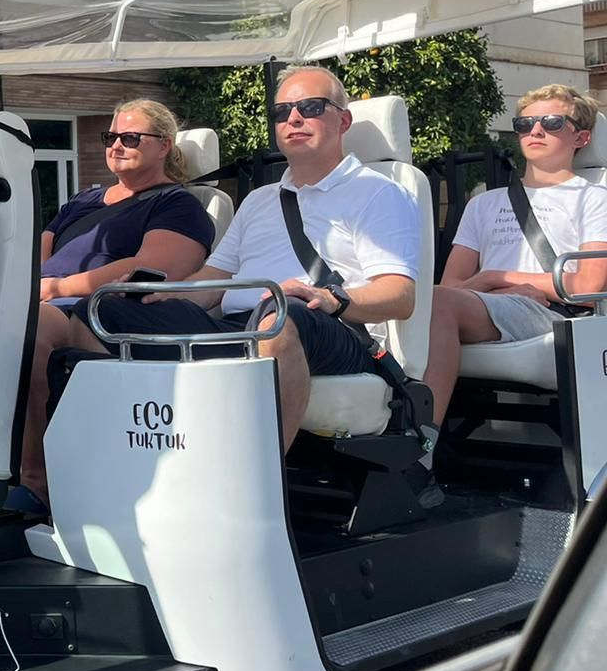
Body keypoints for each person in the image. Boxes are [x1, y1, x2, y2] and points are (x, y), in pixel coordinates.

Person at [65, 65, 421, 450]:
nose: (294, 118)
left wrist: (332, 298)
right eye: (282, 112)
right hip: (242, 326)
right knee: (97, 313)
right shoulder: (259, 200)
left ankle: (260, 484)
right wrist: (163, 296)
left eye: (311, 107)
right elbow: (212, 281)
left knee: (282, 317)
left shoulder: (378, 192)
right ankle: (122, 462)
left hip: (330, 329)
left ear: (344, 119)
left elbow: (400, 297)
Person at [10, 99, 214, 515]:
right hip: (44, 297)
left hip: (98, 310)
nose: (117, 145)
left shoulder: (177, 205)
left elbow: (152, 266)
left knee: (25, 333)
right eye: (111, 137)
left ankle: (37, 480)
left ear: (164, 146)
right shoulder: (81, 202)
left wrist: (58, 288)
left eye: (131, 137)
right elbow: (38, 253)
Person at [423, 85, 607, 430]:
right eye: (525, 124)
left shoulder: (596, 198)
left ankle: (421, 444)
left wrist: (498, 278)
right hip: (489, 304)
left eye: (551, 122)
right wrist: (495, 283)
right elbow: (451, 285)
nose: (535, 131)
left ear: (581, 137)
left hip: (553, 312)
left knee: (435, 304)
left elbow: (587, 284)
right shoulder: (483, 203)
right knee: (420, 303)